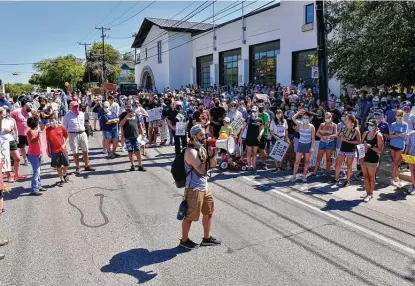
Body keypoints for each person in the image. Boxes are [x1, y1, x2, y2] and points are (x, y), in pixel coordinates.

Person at [180, 124, 220, 249]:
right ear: (194, 136)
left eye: (204, 134)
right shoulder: (190, 151)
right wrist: (210, 158)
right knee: (190, 216)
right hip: (194, 188)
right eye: (201, 135)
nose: (204, 137)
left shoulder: (202, 148)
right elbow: (202, 170)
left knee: (208, 212)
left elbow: (212, 165)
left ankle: (206, 238)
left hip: (204, 185)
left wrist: (213, 155)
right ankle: (184, 240)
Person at [62, 101, 96, 175]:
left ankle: (87, 165)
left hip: (82, 133)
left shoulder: (81, 114)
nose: (76, 107)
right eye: (74, 106)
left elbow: (83, 123)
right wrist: (65, 138)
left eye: (77, 106)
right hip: (73, 135)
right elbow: (64, 128)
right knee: (75, 152)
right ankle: (77, 167)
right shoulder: (67, 116)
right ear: (70, 107)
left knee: (85, 150)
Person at [332, 114, 361, 187]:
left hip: (351, 150)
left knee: (349, 166)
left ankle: (347, 181)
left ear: (350, 120)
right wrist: (329, 136)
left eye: (346, 118)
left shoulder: (356, 129)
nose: (344, 119)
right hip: (342, 149)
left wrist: (347, 141)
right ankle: (336, 179)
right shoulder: (344, 127)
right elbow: (338, 135)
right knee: (337, 164)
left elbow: (359, 141)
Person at [360, 119, 384, 202]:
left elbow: (380, 150)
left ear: (375, 126)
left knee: (371, 177)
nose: (369, 126)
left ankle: (370, 194)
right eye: (368, 125)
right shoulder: (365, 133)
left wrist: (371, 146)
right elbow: (361, 145)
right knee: (365, 176)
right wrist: (360, 156)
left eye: (371, 125)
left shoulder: (379, 135)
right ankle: (367, 192)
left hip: (373, 159)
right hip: (364, 157)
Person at [119, 101, 146, 171]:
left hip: (136, 136)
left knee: (138, 151)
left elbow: (139, 124)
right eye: (127, 107)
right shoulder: (122, 115)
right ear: (125, 107)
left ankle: (140, 165)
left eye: (129, 107)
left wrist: (142, 133)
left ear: (131, 107)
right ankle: (132, 165)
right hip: (128, 136)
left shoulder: (135, 114)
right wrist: (126, 117)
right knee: (130, 151)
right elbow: (121, 124)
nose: (128, 108)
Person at [0, 107, 25, 182]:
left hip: (11, 140)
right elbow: (1, 130)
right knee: (5, 159)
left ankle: (16, 174)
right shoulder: (1, 120)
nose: (3, 113)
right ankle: (9, 176)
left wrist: (16, 138)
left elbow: (15, 129)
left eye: (3, 112)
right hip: (2, 141)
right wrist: (4, 128)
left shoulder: (11, 120)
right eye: (1, 112)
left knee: (17, 158)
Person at [46, 112, 70, 187]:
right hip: (54, 151)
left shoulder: (61, 127)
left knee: (66, 164)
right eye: (50, 120)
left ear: (56, 119)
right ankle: (62, 179)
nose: (52, 121)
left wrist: (64, 144)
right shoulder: (48, 130)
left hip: (63, 149)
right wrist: (48, 152)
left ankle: (65, 174)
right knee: (58, 166)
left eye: (53, 119)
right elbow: (47, 142)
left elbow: (67, 137)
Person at [291, 110, 315, 182]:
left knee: (307, 161)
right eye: (304, 117)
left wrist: (312, 147)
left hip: (308, 145)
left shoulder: (312, 126)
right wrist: (299, 112)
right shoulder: (300, 124)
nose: (305, 119)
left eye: (306, 117)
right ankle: (294, 176)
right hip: (300, 144)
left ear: (309, 118)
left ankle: (304, 176)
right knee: (297, 161)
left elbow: (313, 138)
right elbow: (293, 118)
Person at [26, 116, 46, 196]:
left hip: (37, 153)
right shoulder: (30, 132)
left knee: (38, 171)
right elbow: (32, 142)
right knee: (36, 172)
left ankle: (38, 185)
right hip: (33, 154)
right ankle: (34, 189)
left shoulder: (35, 130)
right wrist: (38, 136)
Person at [389, 110, 408, 187]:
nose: (399, 117)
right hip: (392, 145)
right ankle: (396, 177)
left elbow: (404, 135)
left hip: (400, 146)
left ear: (402, 116)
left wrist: (395, 134)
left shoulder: (405, 125)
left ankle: (393, 178)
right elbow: (390, 135)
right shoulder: (393, 124)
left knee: (396, 163)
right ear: (395, 116)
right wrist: (399, 134)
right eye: (397, 116)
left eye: (400, 116)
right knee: (395, 163)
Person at [11, 102, 33, 166]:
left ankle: (30, 158)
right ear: (24, 107)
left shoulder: (29, 112)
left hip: (29, 133)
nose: (28, 110)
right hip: (20, 133)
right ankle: (25, 159)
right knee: (22, 147)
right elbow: (11, 120)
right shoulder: (16, 112)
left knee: (31, 146)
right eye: (28, 109)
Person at [245, 106, 263, 172]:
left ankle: (254, 166)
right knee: (249, 153)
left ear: (257, 112)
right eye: (252, 111)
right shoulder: (248, 119)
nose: (253, 112)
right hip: (249, 138)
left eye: (255, 111)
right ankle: (249, 166)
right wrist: (240, 138)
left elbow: (262, 128)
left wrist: (260, 134)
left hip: (256, 139)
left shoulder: (259, 119)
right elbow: (243, 128)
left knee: (255, 153)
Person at [257, 103, 271, 169]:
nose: (260, 108)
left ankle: (265, 163)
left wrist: (261, 129)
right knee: (260, 148)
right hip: (257, 134)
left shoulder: (266, 114)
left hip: (264, 134)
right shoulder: (258, 114)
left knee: (262, 148)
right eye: (259, 107)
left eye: (261, 107)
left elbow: (267, 125)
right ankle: (262, 162)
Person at [404, 130, 415, 195]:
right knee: (412, 172)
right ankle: (413, 185)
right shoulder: (411, 134)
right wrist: (405, 155)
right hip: (411, 156)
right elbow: (407, 146)